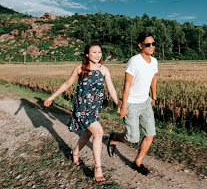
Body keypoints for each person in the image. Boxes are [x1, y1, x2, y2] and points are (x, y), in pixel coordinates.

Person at [43, 42, 120, 182]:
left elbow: (111, 89)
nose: (97, 55)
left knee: (87, 134)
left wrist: (118, 103)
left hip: (95, 108)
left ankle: (75, 152)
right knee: (99, 132)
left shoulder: (104, 70)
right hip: (82, 108)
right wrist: (52, 97)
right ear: (87, 54)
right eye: (94, 52)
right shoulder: (80, 69)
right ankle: (98, 168)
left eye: (99, 52)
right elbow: (67, 84)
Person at [108, 31, 158, 176]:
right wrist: (123, 106)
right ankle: (114, 137)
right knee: (132, 138)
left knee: (150, 134)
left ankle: (138, 162)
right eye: (147, 44)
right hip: (131, 104)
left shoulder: (154, 61)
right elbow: (127, 85)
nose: (151, 46)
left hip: (146, 102)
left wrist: (154, 96)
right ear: (140, 46)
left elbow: (153, 79)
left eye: (153, 44)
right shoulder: (134, 61)